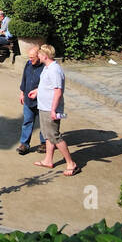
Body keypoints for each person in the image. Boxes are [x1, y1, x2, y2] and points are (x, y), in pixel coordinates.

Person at [33, 44, 79, 175]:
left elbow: (58, 91)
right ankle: (48, 160)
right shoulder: (47, 68)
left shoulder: (54, 70)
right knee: (48, 135)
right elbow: (47, 86)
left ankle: (71, 163)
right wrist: (37, 91)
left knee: (55, 136)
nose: (38, 56)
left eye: (40, 54)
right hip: (44, 106)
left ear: (45, 56)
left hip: (50, 108)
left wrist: (53, 110)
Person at [18, 42, 48, 156]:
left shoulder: (45, 67)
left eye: (32, 58)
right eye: (29, 57)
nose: (30, 60)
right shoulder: (28, 64)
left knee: (43, 123)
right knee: (27, 121)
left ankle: (44, 142)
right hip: (28, 99)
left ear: (39, 56)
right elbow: (24, 78)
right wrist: (22, 93)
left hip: (41, 100)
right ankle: (24, 144)